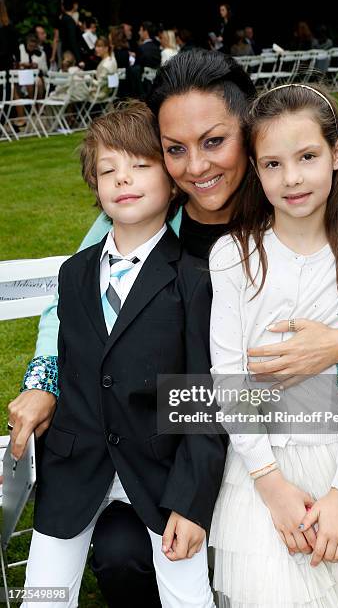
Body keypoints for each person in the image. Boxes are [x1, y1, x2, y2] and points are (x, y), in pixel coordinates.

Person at [9, 51, 338, 607]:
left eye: (214, 142)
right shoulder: (134, 214)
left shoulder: (286, 203)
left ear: (248, 134)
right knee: (123, 556)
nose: (194, 167)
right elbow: (70, 317)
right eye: (174, 151)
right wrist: (45, 381)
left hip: (257, 428)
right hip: (160, 442)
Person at [21, 100, 226, 608]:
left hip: (161, 478)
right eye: (108, 171)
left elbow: (204, 397)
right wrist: (41, 388)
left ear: (173, 180)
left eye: (140, 165)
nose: (123, 180)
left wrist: (192, 501)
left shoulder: (194, 280)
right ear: (95, 186)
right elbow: (72, 366)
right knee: (43, 595)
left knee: (187, 599)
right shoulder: (73, 273)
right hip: (75, 470)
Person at [208, 83, 338, 607]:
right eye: (272, 164)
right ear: (255, 169)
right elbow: (229, 382)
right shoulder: (234, 258)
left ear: (336, 154)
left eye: (308, 157)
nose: (291, 177)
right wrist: (270, 485)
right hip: (261, 470)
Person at [89, 36, 117, 101]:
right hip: (108, 91)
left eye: (99, 47)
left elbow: (100, 83)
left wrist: (88, 78)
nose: (96, 49)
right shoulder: (111, 59)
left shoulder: (106, 64)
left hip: (101, 94)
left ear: (106, 48)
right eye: (96, 46)